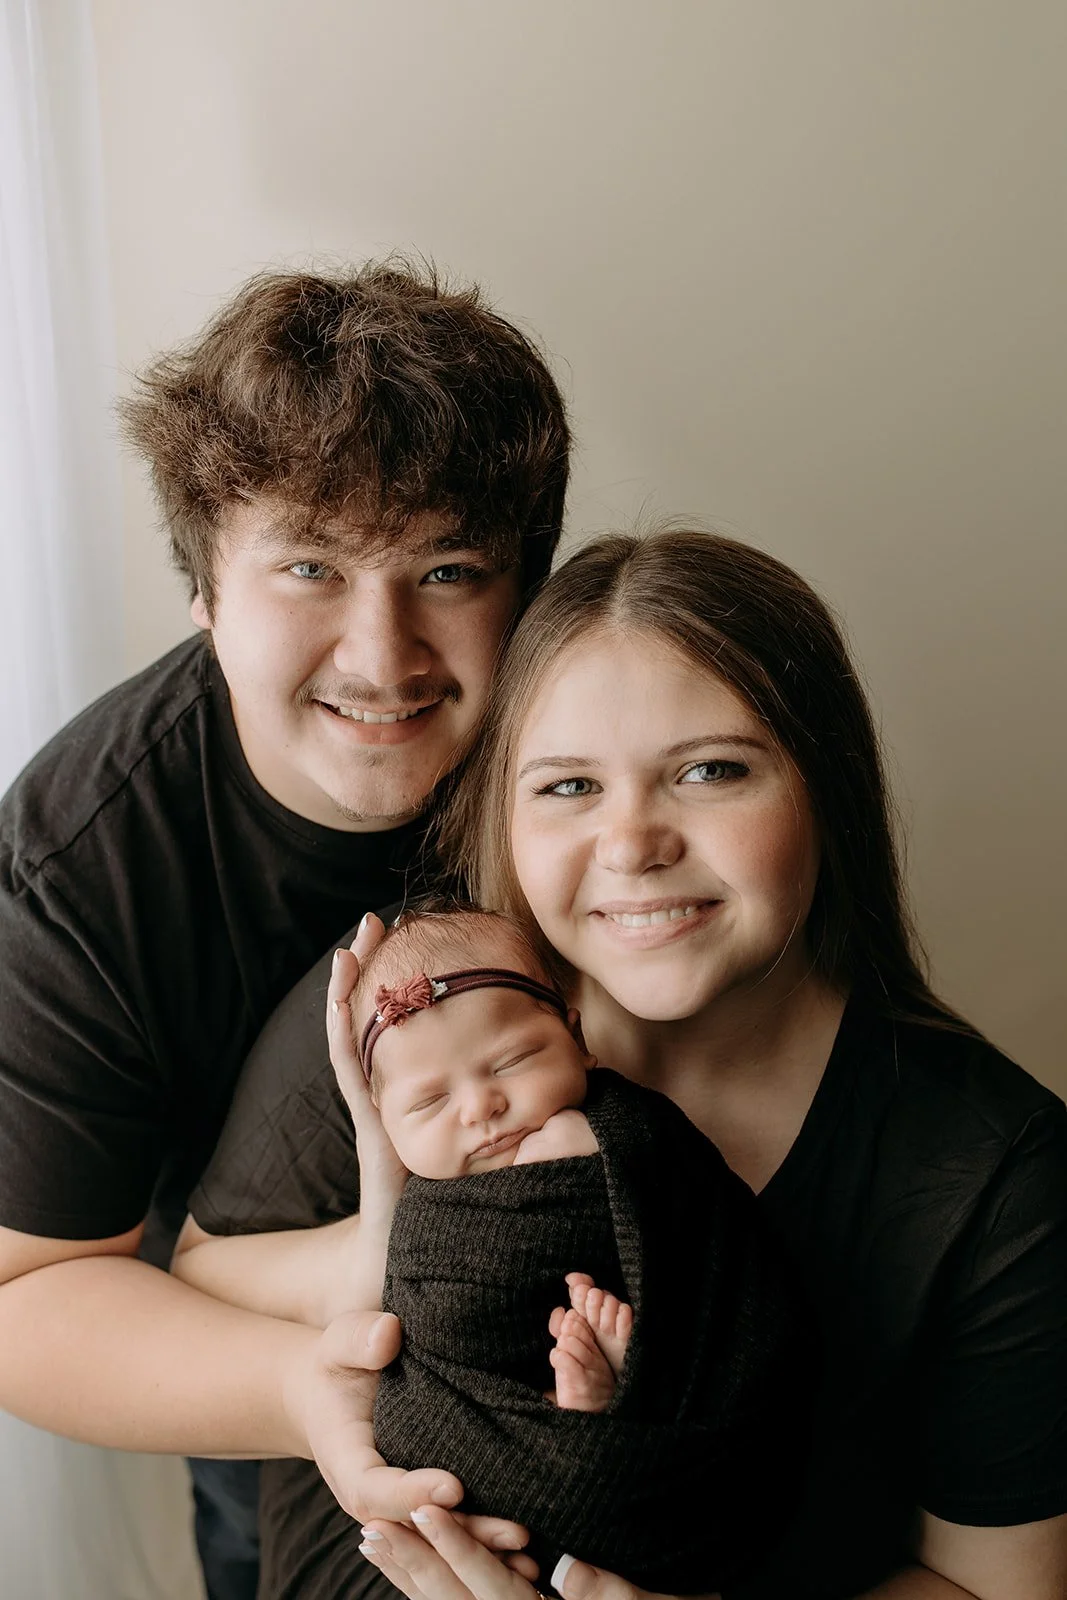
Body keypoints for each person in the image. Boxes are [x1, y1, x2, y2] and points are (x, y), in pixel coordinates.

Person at [187, 526, 1067, 1600]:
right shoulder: (412, 1008)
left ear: (822, 790)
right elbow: (205, 1278)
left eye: (709, 770)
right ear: (499, 813)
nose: (632, 841)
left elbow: (999, 1587)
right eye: (566, 787)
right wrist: (390, 1208)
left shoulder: (990, 1173)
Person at [0, 259, 570, 1600]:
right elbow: (27, 1297)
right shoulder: (80, 862)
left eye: (443, 568)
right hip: (267, 1359)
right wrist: (303, 1388)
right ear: (206, 593)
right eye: (310, 565)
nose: (381, 654)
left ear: (523, 593)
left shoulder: (591, 745)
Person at [180, 901, 813, 1591]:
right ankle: (584, 1411)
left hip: (673, 1450)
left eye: (512, 1060)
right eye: (426, 1104)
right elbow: (419, 1322)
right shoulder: (421, 1202)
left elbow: (710, 1269)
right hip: (465, 1465)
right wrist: (381, 1164)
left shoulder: (625, 1135)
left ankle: (621, 1395)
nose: (479, 1107)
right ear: (384, 1120)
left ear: (576, 1036)